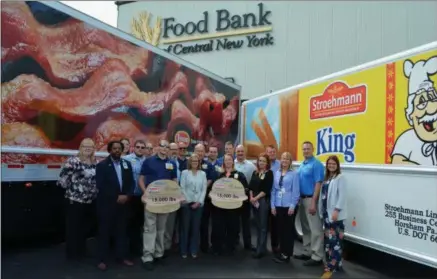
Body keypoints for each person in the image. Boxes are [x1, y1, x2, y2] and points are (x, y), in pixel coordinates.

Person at [96, 140, 135, 271]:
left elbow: (131, 182)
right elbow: (101, 185)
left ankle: (122, 257)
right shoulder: (102, 165)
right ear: (109, 150)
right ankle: (102, 259)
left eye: (119, 148)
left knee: (122, 232)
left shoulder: (127, 164)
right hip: (107, 205)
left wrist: (127, 195)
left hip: (124, 205)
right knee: (105, 232)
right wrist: (116, 197)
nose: (117, 150)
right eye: (114, 148)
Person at [139, 140, 177, 271]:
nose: (165, 149)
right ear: (158, 147)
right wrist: (146, 193)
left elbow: (174, 181)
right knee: (149, 228)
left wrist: (174, 195)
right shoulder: (148, 161)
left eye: (167, 147)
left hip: (165, 201)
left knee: (161, 228)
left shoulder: (171, 164)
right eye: (162, 146)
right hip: (151, 200)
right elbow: (141, 179)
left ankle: (158, 254)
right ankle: (147, 256)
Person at [57, 138, 97, 261]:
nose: (88, 148)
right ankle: (72, 254)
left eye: (90, 146)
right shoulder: (73, 161)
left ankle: (82, 251)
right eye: (85, 146)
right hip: (74, 200)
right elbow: (63, 180)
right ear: (80, 147)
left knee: (84, 228)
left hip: (90, 201)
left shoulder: (95, 162)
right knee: (73, 228)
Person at [295, 141, 325, 266]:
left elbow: (318, 183)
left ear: (313, 149)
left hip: (310, 199)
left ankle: (317, 256)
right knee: (305, 227)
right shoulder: (302, 164)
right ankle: (307, 251)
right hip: (301, 199)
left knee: (315, 228)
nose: (306, 150)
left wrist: (314, 201)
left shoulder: (316, 164)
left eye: (308, 148)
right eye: (304, 149)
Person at [211, 154, 248, 255]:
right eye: (226, 160)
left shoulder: (239, 175)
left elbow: (245, 190)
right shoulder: (219, 175)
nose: (228, 161)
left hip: (234, 208)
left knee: (232, 226)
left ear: (233, 161)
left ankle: (230, 247)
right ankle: (218, 247)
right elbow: (213, 189)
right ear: (223, 162)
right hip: (220, 207)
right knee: (220, 226)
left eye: (229, 160)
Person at [319, 155, 347, 279]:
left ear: (337, 165)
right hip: (326, 214)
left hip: (335, 215)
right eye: (329, 164)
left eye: (333, 164)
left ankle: (332, 265)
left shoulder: (340, 178)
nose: (331, 165)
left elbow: (342, 196)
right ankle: (335, 262)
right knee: (329, 241)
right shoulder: (327, 178)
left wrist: (337, 210)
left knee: (335, 241)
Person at [271, 152, 300, 264]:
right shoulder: (277, 173)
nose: (284, 161)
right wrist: (272, 205)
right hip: (278, 205)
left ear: (290, 161)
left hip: (288, 206)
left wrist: (293, 205)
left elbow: (296, 192)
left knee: (287, 231)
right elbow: (273, 190)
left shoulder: (294, 174)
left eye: (287, 159)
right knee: (280, 230)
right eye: (283, 158)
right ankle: (281, 251)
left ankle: (286, 254)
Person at [179, 153, 207, 259]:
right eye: (193, 161)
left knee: (195, 229)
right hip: (186, 204)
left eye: (196, 161)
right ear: (189, 162)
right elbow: (182, 188)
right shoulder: (184, 173)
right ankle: (183, 250)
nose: (194, 163)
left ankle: (194, 250)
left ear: (199, 162)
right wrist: (189, 201)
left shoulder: (203, 174)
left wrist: (198, 202)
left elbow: (203, 189)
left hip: (198, 205)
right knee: (185, 228)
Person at [123, 140, 147, 256]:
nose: (140, 149)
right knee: (128, 222)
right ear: (133, 147)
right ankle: (126, 249)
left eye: (142, 147)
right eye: (138, 147)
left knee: (139, 223)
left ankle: (136, 248)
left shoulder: (147, 161)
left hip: (142, 196)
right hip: (130, 196)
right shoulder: (126, 159)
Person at [248, 153, 274, 258]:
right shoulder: (255, 172)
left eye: (263, 161)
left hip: (262, 201)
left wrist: (255, 198)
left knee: (263, 226)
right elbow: (250, 186)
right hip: (254, 200)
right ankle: (260, 246)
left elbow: (266, 190)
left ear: (267, 163)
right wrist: (251, 197)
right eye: (260, 160)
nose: (261, 163)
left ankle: (260, 250)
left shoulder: (269, 173)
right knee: (257, 225)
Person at [234, 144, 256, 250]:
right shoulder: (231, 163)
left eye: (242, 151)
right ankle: (235, 240)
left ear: (245, 152)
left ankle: (248, 244)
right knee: (234, 221)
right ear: (235, 152)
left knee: (246, 222)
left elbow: (254, 181)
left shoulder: (251, 166)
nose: (240, 153)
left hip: (246, 197)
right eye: (238, 151)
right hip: (233, 198)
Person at [195, 143, 216, 253]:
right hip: (191, 198)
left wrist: (202, 189)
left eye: (202, 151)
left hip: (205, 198)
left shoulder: (209, 165)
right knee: (192, 223)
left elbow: (211, 179)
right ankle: (192, 245)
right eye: (198, 151)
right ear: (194, 152)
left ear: (205, 153)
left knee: (204, 223)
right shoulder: (189, 164)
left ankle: (204, 246)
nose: (200, 153)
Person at [164, 142, 182, 254]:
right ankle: (162, 247)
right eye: (172, 149)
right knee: (163, 224)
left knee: (172, 223)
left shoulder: (181, 162)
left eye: (176, 149)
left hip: (178, 197)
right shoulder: (164, 162)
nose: (174, 151)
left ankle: (168, 246)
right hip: (166, 197)